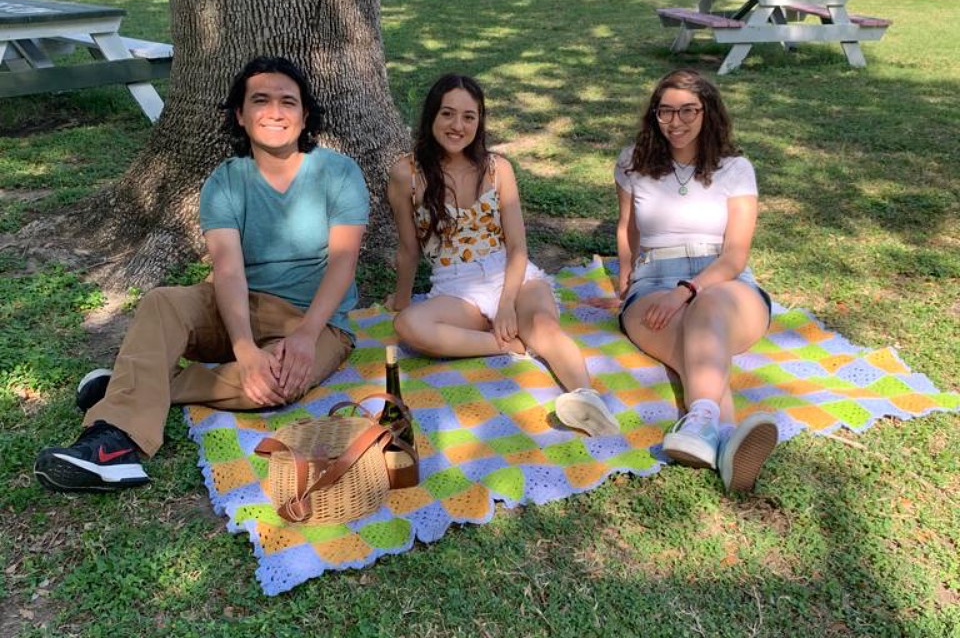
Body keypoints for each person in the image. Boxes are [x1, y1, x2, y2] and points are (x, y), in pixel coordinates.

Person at [34, 56, 370, 492]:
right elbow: (228, 270)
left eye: (288, 102)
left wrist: (306, 334)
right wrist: (245, 348)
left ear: (305, 115)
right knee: (162, 303)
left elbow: (344, 261)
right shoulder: (224, 182)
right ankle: (112, 443)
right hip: (237, 305)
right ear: (240, 114)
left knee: (272, 388)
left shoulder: (338, 173)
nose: (275, 111)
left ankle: (135, 383)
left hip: (315, 320)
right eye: (261, 100)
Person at [385, 74, 619, 438]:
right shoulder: (407, 174)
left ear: (479, 122)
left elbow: (518, 247)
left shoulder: (498, 169)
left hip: (513, 275)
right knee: (409, 327)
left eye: (468, 117)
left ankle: (587, 399)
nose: (457, 125)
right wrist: (401, 301)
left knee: (544, 326)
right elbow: (408, 248)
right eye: (447, 114)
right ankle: (510, 345)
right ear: (431, 116)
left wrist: (508, 303)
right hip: (456, 287)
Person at [614, 68, 778, 494]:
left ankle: (699, 419)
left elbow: (735, 255)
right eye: (665, 111)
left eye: (689, 110)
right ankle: (724, 440)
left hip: (726, 286)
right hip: (652, 281)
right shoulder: (632, 161)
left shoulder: (736, 169)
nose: (676, 121)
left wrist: (685, 291)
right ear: (654, 115)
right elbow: (626, 229)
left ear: (709, 113)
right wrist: (625, 278)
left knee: (703, 309)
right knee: (698, 356)